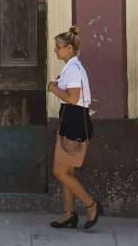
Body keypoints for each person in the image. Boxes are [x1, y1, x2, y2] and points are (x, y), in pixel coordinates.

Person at [47, 26, 102, 230]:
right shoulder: (72, 67)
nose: (55, 51)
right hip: (72, 119)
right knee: (67, 172)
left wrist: (53, 89)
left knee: (60, 172)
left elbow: (73, 98)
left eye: (58, 47)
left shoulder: (73, 69)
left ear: (69, 48)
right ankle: (69, 214)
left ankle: (91, 205)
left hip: (74, 121)